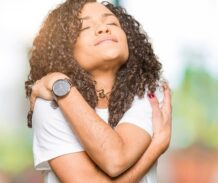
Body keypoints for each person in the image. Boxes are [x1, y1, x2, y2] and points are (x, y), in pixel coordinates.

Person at [24, 0, 172, 182]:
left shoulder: (148, 90)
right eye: (85, 27)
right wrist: (155, 148)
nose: (103, 29)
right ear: (65, 49)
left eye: (112, 23)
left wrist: (60, 86)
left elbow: (116, 158)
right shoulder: (49, 104)